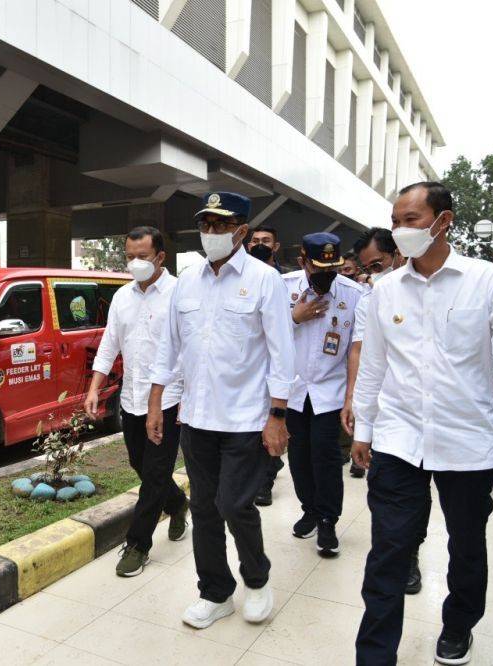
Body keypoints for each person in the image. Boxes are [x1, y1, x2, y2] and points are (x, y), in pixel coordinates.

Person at [351, 182, 493, 665]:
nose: (400, 231)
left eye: (411, 220)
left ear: (443, 222)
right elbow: (375, 365)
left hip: (466, 440)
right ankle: (375, 653)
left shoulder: (490, 283)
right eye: (396, 221)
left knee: (467, 546)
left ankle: (458, 624)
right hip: (399, 439)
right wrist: (364, 431)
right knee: (388, 551)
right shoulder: (383, 291)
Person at [147, 191, 295, 630]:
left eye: (220, 225)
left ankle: (257, 577)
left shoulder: (265, 280)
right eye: (206, 225)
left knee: (234, 504)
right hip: (196, 418)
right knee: (205, 508)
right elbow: (169, 348)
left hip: (246, 419)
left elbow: (282, 354)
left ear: (242, 232)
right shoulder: (186, 282)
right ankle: (215, 592)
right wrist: (156, 401)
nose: (211, 233)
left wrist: (278, 417)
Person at [86, 226, 188, 577]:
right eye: (129, 256)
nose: (134, 263)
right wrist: (94, 387)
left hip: (169, 400)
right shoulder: (122, 297)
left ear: (160, 257)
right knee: (140, 464)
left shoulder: (180, 294)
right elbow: (109, 344)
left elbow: (189, 349)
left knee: (155, 474)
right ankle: (178, 504)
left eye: (142, 257)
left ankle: (137, 545)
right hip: (131, 398)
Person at [345, 227, 427, 596]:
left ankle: (413, 547)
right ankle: (402, 557)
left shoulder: (439, 290)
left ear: (398, 252)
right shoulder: (373, 298)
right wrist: (357, 407)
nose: (372, 273)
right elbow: (362, 354)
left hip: (441, 416)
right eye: (367, 268)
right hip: (392, 414)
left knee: (423, 495)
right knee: (393, 493)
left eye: (377, 263)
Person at [283, 233, 365, 556]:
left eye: (333, 269)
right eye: (319, 269)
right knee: (299, 455)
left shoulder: (354, 294)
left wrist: (350, 399)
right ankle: (310, 509)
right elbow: (264, 335)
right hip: (292, 390)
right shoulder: (282, 287)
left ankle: (329, 519)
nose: (327, 277)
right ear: (303, 261)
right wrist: (294, 318)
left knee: (327, 456)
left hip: (330, 392)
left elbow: (356, 351)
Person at [247, 225, 288, 506]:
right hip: (248, 373)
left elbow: (284, 335)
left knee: (271, 428)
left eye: (266, 241)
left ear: (276, 247)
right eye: (255, 241)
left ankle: (265, 481)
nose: (260, 244)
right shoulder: (243, 277)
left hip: (277, 370)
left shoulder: (284, 280)